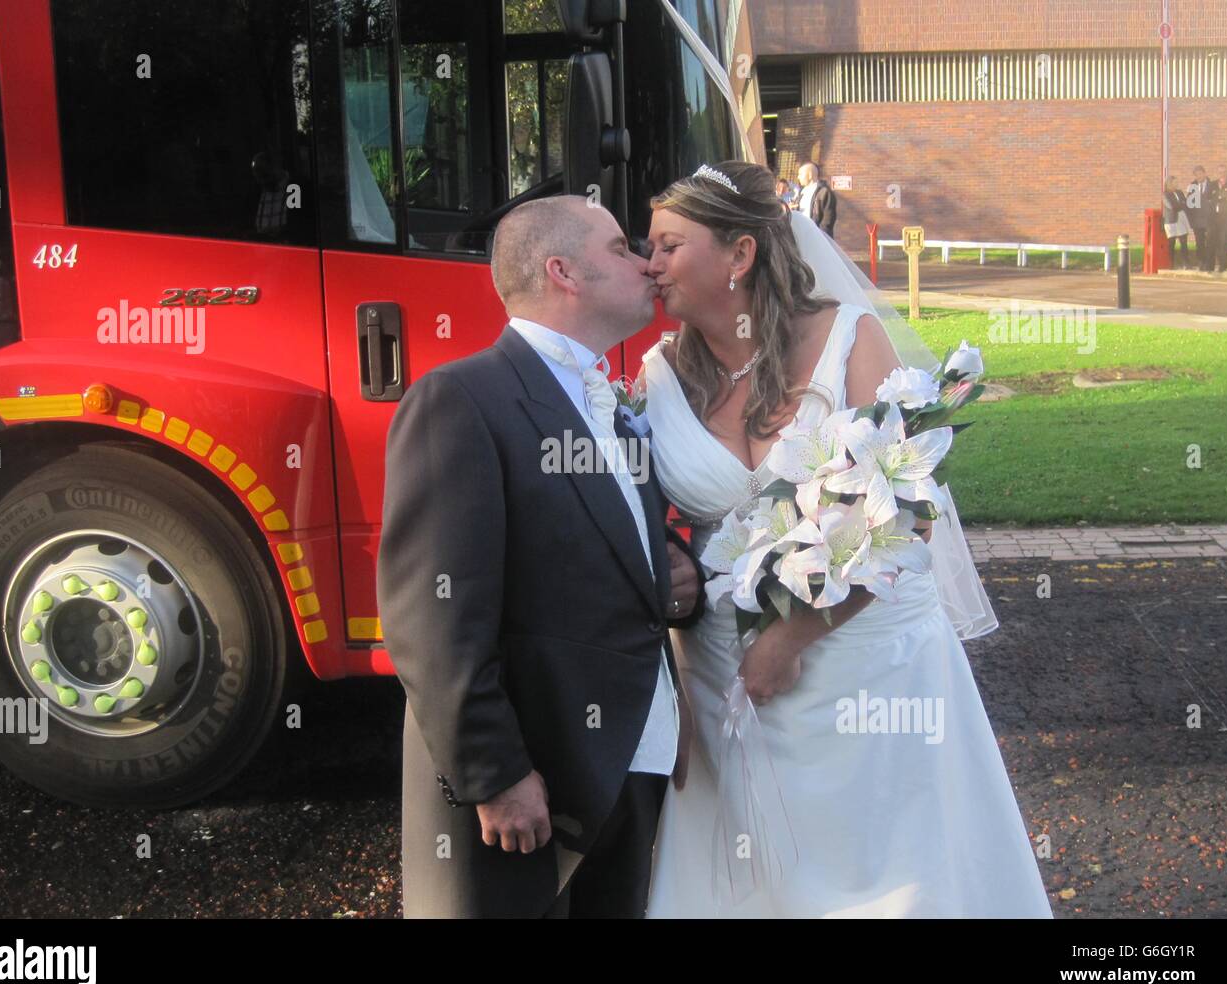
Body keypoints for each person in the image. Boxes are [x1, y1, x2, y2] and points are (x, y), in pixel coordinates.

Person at [639, 160, 1052, 917]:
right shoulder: (657, 377)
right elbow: (638, 525)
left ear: (740, 255)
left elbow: (906, 513)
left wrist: (792, 636)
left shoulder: (849, 338)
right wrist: (668, 576)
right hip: (727, 682)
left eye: (669, 244)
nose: (650, 263)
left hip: (871, 667)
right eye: (648, 245)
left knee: (898, 873)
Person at [379, 195, 707, 918]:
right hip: (534, 777)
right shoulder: (461, 400)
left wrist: (678, 578)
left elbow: (615, 546)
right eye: (623, 247)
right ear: (563, 271)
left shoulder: (611, 404)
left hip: (626, 762)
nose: (648, 262)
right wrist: (495, 773)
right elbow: (431, 617)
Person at [1185, 166, 1217, 272]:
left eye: (1200, 173)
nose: (1198, 176)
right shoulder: (1192, 186)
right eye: (1196, 174)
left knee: (1210, 241)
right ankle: (1201, 262)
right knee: (1199, 242)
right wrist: (1191, 219)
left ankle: (1209, 263)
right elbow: (1188, 204)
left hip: (1209, 219)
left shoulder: (1212, 185)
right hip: (1197, 220)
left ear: (1204, 173)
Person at [1208, 164, 1227, 273]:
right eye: (1220, 172)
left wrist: (1217, 196)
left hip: (1226, 217)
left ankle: (1223, 264)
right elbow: (1208, 197)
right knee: (1212, 240)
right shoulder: (1212, 184)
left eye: (1224, 172)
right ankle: (1210, 265)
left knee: (1224, 241)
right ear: (1218, 173)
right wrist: (1220, 196)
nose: (1222, 174)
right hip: (1214, 217)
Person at [797, 161, 837, 237]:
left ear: (810, 175)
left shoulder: (824, 192)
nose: (798, 177)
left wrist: (820, 236)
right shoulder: (801, 192)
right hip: (802, 234)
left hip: (817, 236)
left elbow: (828, 218)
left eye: (800, 174)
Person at [1162, 177, 1191, 269]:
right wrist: (1181, 204)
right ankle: (1171, 264)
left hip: (1181, 218)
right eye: (1175, 182)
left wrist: (1181, 204)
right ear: (1169, 184)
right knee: (1172, 243)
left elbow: (1185, 203)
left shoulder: (1179, 192)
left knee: (1183, 241)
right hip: (1171, 220)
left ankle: (1185, 263)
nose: (1177, 184)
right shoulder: (1165, 195)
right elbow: (1172, 206)